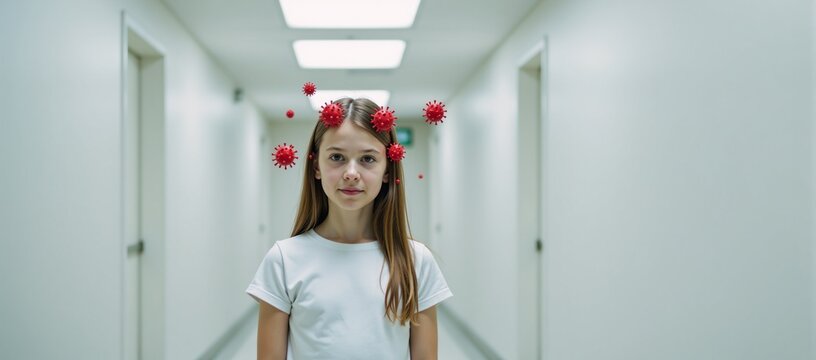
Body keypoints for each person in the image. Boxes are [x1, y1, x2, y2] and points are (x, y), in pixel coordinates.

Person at [246, 97, 453, 359]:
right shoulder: (283, 260)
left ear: (387, 170)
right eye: (337, 157)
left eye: (367, 158)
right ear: (316, 167)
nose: (351, 173)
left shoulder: (416, 261)